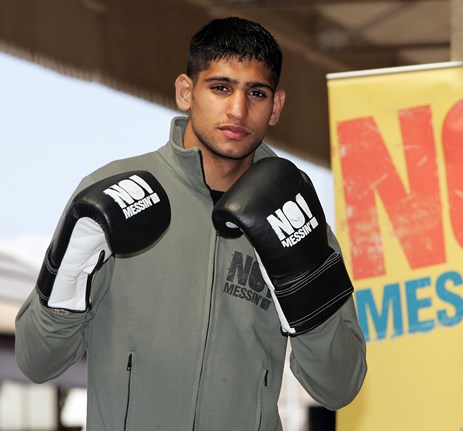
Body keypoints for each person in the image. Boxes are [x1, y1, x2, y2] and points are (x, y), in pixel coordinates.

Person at [15, 16, 367, 430]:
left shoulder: (296, 218)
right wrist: (66, 277)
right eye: (221, 87)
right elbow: (37, 362)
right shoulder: (112, 195)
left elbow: (339, 387)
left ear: (276, 107)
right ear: (186, 91)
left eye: (256, 92)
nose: (238, 109)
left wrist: (307, 295)